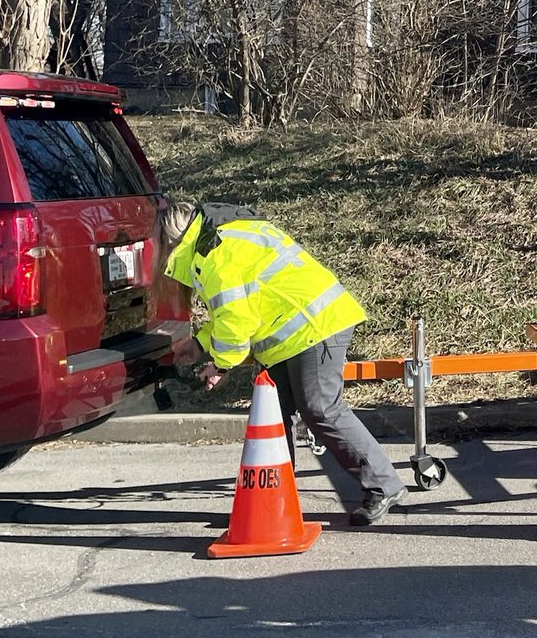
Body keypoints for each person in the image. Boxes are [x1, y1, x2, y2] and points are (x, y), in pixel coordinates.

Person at [160, 201, 407, 526]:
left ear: (171, 240)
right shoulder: (221, 239)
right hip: (301, 328)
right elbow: (235, 310)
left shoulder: (214, 255)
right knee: (274, 417)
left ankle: (384, 485)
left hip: (314, 326)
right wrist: (201, 345)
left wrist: (220, 365)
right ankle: (274, 500)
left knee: (320, 408)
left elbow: (236, 320)